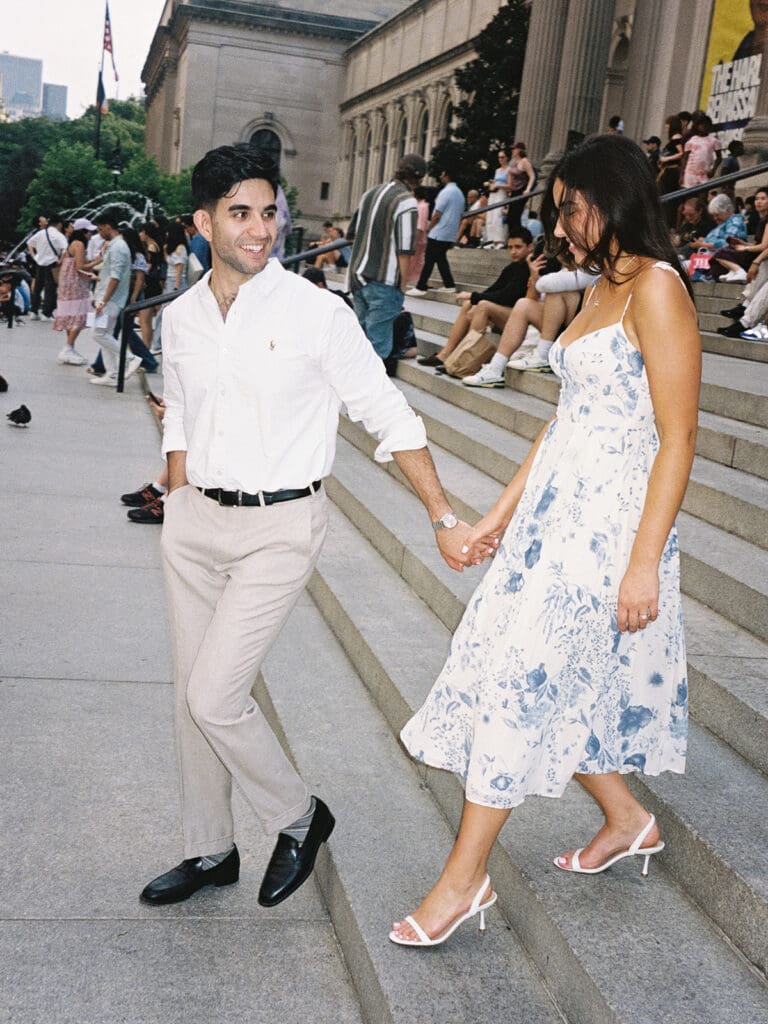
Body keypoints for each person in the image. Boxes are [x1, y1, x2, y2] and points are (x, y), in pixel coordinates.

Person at [141, 143, 492, 910]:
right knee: (187, 694)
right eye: (240, 213)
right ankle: (210, 849)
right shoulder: (180, 317)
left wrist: (440, 512)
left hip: (281, 524)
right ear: (204, 222)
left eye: (269, 212)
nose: (261, 229)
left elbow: (388, 413)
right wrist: (175, 491)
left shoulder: (316, 312)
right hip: (195, 521)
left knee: (216, 695)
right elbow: (181, 412)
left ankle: (299, 817)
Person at [390, 134, 700, 948]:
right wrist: (496, 519)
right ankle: (627, 817)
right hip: (555, 523)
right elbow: (566, 424)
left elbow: (678, 438)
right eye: (559, 209)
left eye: (572, 207)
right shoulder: (602, 289)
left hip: (610, 533)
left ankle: (462, 882)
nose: (562, 224)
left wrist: (642, 565)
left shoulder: (659, 290)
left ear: (615, 198)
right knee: (522, 672)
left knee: (523, 682)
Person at [416, 229, 534, 372]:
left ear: (530, 247)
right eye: (510, 247)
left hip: (523, 321)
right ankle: (445, 355)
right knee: (469, 304)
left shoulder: (530, 267)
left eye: (518, 247)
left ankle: (463, 360)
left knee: (483, 305)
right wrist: (474, 299)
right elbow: (493, 290)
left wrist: (476, 297)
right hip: (508, 314)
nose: (513, 251)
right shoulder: (512, 267)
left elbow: (508, 295)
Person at [462, 259, 596, 383]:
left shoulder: (590, 268)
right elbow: (532, 297)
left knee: (557, 291)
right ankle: (495, 368)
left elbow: (546, 285)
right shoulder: (558, 270)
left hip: (580, 329)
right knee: (523, 304)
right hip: (554, 328)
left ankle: (543, 354)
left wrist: (540, 282)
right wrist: (534, 277)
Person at [346, 152, 425, 360]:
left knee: (360, 342)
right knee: (377, 351)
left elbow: (352, 236)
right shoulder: (406, 201)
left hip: (358, 276)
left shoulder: (369, 194)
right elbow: (405, 249)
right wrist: (403, 285)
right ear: (418, 179)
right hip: (385, 281)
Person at [88, 210, 143, 387]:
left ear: (107, 227)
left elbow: (115, 276)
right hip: (109, 298)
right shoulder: (116, 245)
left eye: (99, 229)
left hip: (110, 299)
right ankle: (111, 374)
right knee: (104, 334)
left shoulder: (118, 247)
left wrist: (103, 300)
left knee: (97, 333)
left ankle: (131, 358)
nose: (99, 233)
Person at [407, 170, 465, 296]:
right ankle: (449, 284)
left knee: (430, 258)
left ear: (447, 176)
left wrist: (429, 227)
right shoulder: (460, 194)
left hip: (439, 231)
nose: (440, 176)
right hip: (450, 232)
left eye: (442, 174)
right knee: (440, 258)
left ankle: (421, 286)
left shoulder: (446, 192)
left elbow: (437, 214)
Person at [710, 186, 768, 283]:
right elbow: (759, 244)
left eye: (763, 199)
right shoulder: (762, 220)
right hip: (755, 251)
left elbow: (764, 246)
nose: (758, 202)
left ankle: (739, 271)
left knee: (721, 253)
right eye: (757, 199)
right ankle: (734, 270)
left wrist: (745, 248)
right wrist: (744, 244)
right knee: (717, 262)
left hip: (759, 255)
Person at [52, 226, 92, 364]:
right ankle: (67, 348)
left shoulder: (70, 245)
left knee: (70, 317)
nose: (91, 235)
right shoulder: (79, 244)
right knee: (78, 315)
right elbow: (80, 266)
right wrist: (99, 260)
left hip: (66, 286)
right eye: (89, 232)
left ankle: (70, 348)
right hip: (75, 286)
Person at [27, 214, 66, 321]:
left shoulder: (40, 233)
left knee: (37, 288)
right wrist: (60, 260)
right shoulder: (59, 235)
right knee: (50, 289)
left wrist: (34, 256)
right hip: (52, 264)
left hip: (39, 263)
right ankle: (46, 313)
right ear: (59, 224)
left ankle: (34, 312)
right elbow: (65, 250)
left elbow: (29, 243)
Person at [680, 112, 721, 189]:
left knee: (703, 195)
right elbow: (685, 158)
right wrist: (682, 175)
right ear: (697, 126)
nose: (703, 127)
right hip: (690, 173)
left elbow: (719, 157)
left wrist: (713, 169)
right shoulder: (691, 140)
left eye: (706, 125)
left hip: (704, 174)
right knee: (689, 196)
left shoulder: (714, 141)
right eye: (701, 125)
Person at [506, 142, 536, 233]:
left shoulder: (525, 162)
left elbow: (532, 176)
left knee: (515, 215)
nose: (512, 151)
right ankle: (513, 235)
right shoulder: (515, 162)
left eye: (514, 149)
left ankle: (518, 235)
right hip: (514, 191)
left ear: (519, 150)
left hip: (521, 190)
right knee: (510, 216)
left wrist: (528, 189)